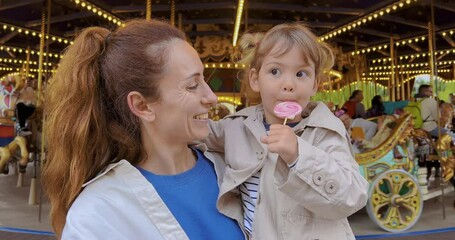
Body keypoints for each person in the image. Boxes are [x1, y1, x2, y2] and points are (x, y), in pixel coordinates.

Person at [42, 19, 244, 239]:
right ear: (142, 105)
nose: (212, 97)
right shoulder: (98, 214)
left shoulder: (237, 167)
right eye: (192, 85)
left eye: (203, 79)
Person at [203, 23, 369, 239]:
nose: (289, 84)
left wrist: (299, 155)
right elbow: (195, 133)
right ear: (255, 79)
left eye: (301, 73)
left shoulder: (324, 132)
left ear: (315, 85)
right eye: (275, 71)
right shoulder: (236, 127)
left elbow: (352, 196)